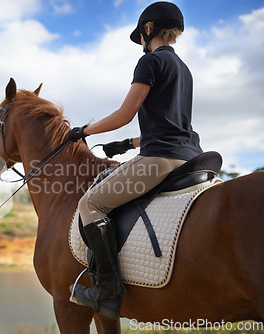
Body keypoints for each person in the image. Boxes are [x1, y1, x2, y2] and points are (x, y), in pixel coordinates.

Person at [67, 2, 203, 320]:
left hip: (160, 160)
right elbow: (171, 125)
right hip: (190, 157)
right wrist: (128, 144)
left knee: (91, 204)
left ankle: (107, 292)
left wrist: (82, 131)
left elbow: (124, 114)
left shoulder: (150, 62)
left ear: (148, 30)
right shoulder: (184, 69)